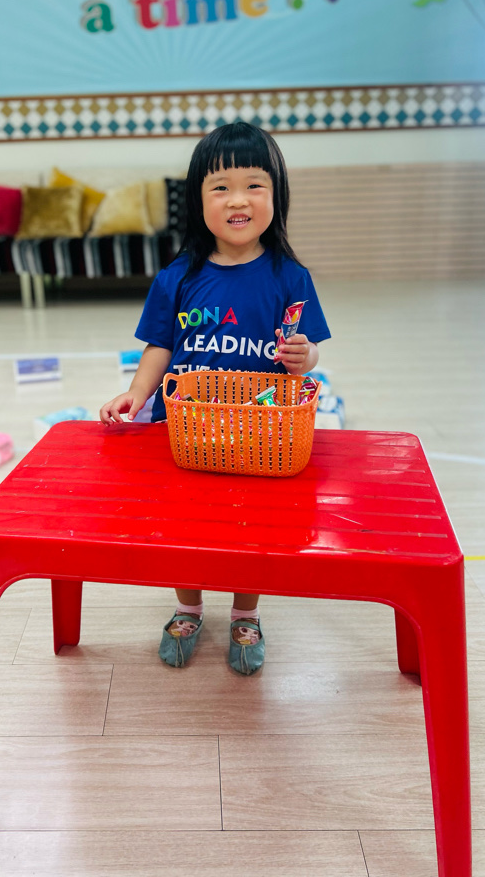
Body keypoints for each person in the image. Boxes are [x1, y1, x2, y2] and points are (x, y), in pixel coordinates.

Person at [99, 122, 331, 675]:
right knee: (185, 524)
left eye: (255, 185)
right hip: (186, 432)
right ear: (198, 201)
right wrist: (136, 392)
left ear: (276, 195)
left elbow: (309, 349)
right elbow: (160, 345)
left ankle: (245, 614)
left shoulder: (290, 276)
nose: (238, 200)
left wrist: (304, 356)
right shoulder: (178, 277)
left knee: (251, 529)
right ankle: (189, 608)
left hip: (261, 434)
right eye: (220, 187)